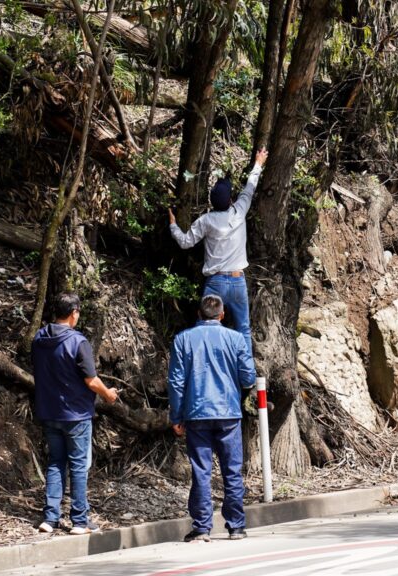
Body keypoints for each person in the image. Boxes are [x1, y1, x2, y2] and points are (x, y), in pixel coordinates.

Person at [168, 295, 257, 542]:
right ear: (222, 314)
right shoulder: (236, 339)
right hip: (228, 412)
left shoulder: (183, 339)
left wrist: (176, 416)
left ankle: (202, 527)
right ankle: (236, 526)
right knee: (232, 471)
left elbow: (176, 382)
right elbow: (248, 377)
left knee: (201, 471)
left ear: (199, 313)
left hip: (196, 413)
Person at [32, 293, 119, 535]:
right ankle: (80, 521)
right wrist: (108, 394)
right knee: (79, 466)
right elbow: (91, 380)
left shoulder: (39, 338)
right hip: (76, 414)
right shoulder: (78, 342)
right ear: (74, 313)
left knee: (56, 462)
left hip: (49, 411)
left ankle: (50, 518)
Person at [169, 148, 269, 356]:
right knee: (243, 329)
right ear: (230, 200)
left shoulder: (206, 220)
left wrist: (173, 225)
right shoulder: (239, 211)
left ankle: (205, 366)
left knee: (206, 328)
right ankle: (246, 371)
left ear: (212, 203)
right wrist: (258, 163)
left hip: (216, 282)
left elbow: (186, 243)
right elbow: (250, 188)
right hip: (238, 280)